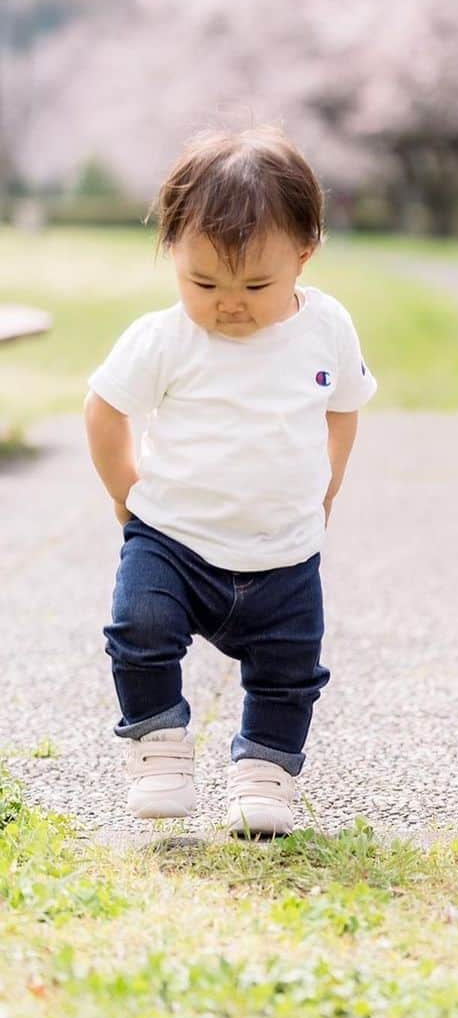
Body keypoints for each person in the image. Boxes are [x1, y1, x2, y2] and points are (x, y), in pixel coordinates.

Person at [84, 127, 376, 835]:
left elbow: (343, 410)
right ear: (172, 253)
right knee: (139, 628)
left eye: (256, 285)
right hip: (173, 538)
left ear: (305, 254)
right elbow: (105, 409)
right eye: (204, 282)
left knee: (289, 670)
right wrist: (127, 496)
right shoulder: (165, 338)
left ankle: (265, 774)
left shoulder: (327, 326)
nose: (231, 303)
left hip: (283, 550)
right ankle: (158, 748)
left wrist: (327, 488)